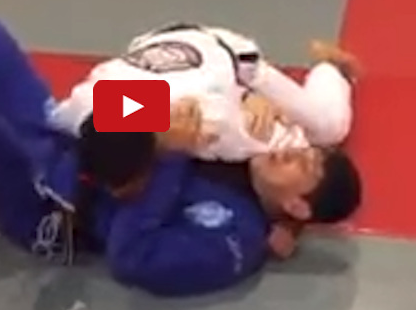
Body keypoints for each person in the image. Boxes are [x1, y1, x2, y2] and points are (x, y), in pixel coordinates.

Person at [0, 16, 361, 297]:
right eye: (304, 151)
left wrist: (167, 152)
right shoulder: (255, 140)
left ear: (297, 207)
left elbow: (133, 259)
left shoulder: (235, 235)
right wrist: (250, 93)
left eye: (303, 167)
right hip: (67, 143)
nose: (293, 151)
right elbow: (321, 119)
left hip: (55, 209)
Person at [50, 22, 361, 257]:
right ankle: (332, 69)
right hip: (220, 54)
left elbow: (80, 111)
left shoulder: (201, 123)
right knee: (328, 127)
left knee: (325, 128)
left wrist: (290, 225)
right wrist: (247, 95)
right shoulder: (220, 126)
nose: (294, 153)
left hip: (183, 59)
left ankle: (330, 69)